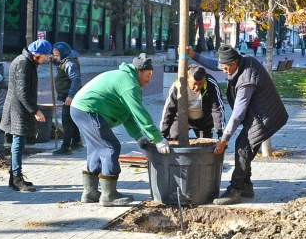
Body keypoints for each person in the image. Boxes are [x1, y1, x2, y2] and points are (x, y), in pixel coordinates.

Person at [188, 44, 289, 205]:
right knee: (244, 147)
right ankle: (246, 186)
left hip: (266, 116)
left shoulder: (247, 79)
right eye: (223, 66)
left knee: (243, 147)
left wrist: (224, 139)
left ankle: (235, 189)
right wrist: (194, 55)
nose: (223, 70)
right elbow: (216, 64)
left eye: (226, 67)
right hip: (256, 114)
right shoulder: (237, 63)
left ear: (234, 63)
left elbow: (237, 114)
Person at [71, 54, 168, 207]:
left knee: (96, 148)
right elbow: (140, 113)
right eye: (148, 75)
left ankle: (90, 192)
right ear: (138, 71)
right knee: (110, 147)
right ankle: (109, 195)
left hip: (80, 109)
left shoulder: (126, 78)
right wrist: (158, 139)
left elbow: (127, 114)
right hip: (88, 110)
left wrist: (138, 136)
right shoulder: (130, 84)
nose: (149, 80)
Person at [0, 40, 51, 192]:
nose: (46, 59)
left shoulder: (26, 61)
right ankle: (16, 178)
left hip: (18, 108)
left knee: (19, 142)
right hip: (17, 110)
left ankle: (14, 176)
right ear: (36, 55)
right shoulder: (23, 64)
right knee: (18, 143)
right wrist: (35, 111)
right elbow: (22, 92)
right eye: (45, 56)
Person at [160, 66, 225, 141]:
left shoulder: (211, 84)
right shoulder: (177, 85)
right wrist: (162, 134)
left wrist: (220, 133)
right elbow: (169, 109)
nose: (197, 87)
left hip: (204, 122)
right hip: (180, 119)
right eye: (194, 83)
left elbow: (217, 109)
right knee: (175, 141)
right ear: (187, 78)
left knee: (205, 146)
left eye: (200, 83)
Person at [51, 42, 82, 155]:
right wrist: (54, 61)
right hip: (67, 94)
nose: (55, 57)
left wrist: (70, 96)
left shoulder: (70, 64)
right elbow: (60, 63)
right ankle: (77, 140)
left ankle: (66, 146)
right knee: (71, 118)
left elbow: (76, 80)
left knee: (66, 120)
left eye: (57, 55)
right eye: (54, 55)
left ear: (63, 53)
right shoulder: (65, 60)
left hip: (70, 96)